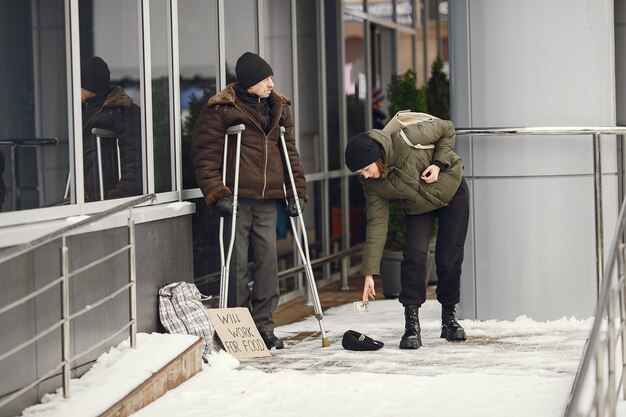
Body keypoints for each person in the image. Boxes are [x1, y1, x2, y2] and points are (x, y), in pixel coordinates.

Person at [191, 52, 307, 350]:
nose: (271, 84)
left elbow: (289, 152)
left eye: (270, 77)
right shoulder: (221, 110)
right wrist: (217, 193)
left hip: (268, 199)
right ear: (249, 83)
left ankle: (265, 326)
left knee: (268, 262)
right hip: (237, 198)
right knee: (237, 262)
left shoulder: (278, 108)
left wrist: (297, 192)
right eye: (264, 79)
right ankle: (239, 329)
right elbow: (205, 156)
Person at [344, 116, 469, 349]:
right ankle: (412, 325)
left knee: (448, 258)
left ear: (377, 158)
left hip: (452, 192)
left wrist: (438, 164)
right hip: (418, 206)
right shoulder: (371, 184)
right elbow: (376, 224)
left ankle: (449, 319)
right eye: (360, 173)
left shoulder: (407, 138)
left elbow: (447, 128)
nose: (365, 175)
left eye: (367, 169)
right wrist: (369, 273)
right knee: (414, 256)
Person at [80, 56, 142, 201]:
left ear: (89, 85)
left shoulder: (121, 111)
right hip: (88, 199)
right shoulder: (85, 109)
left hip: (106, 198)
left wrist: (116, 197)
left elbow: (134, 161)